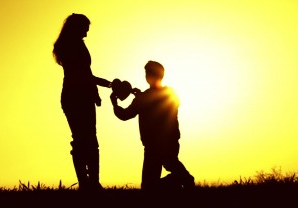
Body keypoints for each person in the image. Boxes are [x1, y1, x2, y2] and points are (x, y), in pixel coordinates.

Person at [109, 60, 194, 191]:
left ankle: (180, 180)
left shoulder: (143, 98)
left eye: (147, 73)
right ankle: (181, 180)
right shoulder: (171, 93)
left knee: (149, 187)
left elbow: (125, 115)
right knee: (171, 164)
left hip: (153, 145)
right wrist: (141, 96)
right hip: (170, 141)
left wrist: (115, 104)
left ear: (149, 76)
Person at [53, 13, 111, 192]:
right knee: (85, 141)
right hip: (76, 97)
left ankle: (89, 183)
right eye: (85, 28)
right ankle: (89, 183)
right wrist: (108, 84)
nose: (87, 32)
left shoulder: (71, 45)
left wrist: (95, 93)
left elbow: (86, 72)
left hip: (79, 96)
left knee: (84, 140)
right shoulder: (72, 46)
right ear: (77, 27)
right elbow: (83, 75)